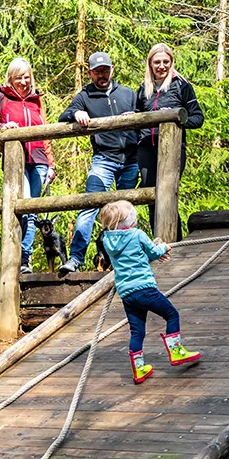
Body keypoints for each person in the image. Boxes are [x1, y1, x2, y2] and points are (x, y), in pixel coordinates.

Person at [99, 200, 200, 384]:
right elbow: (153, 251)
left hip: (127, 294)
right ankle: (176, 352)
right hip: (144, 288)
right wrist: (164, 248)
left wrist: (148, 255)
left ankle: (139, 369)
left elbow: (131, 256)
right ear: (129, 220)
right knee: (171, 315)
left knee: (137, 332)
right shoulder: (137, 234)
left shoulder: (107, 240)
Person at [57, 51, 139, 275]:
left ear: (112, 69)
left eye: (105, 70)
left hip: (130, 159)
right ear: (90, 73)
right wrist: (77, 114)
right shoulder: (85, 95)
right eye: (97, 72)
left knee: (126, 211)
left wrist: (136, 120)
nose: (101, 75)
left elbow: (145, 117)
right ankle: (75, 259)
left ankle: (126, 258)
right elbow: (63, 116)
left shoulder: (128, 94)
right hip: (104, 158)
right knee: (89, 206)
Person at [0, 57, 56, 274]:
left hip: (39, 161)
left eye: (27, 77)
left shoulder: (36, 100)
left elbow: (45, 131)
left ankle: (25, 260)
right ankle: (22, 258)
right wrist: (3, 126)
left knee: (32, 211)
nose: (23, 81)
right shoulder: (2, 98)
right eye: (19, 77)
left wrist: (51, 163)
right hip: (16, 163)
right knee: (26, 206)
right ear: (11, 78)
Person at [136, 43, 204, 239]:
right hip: (146, 148)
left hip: (172, 150)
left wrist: (176, 118)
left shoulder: (182, 86)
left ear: (172, 62)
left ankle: (175, 242)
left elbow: (198, 118)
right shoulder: (143, 89)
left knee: (167, 195)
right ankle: (158, 242)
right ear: (150, 64)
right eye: (157, 62)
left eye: (166, 62)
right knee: (151, 197)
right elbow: (140, 115)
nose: (162, 66)